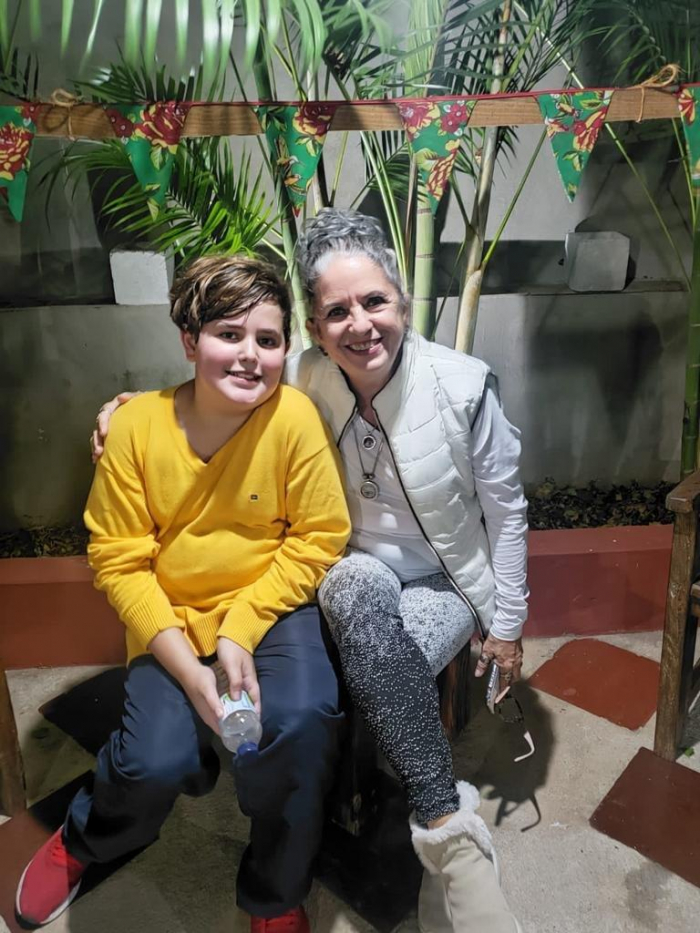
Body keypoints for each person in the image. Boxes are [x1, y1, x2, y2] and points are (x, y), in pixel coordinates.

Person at [91, 210, 528, 933]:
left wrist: (506, 625)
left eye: (375, 301)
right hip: (347, 569)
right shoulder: (301, 374)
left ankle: (442, 834)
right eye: (336, 312)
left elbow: (507, 513)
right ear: (317, 330)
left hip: (442, 578)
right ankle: (444, 835)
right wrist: (127, 409)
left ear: (402, 300)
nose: (360, 325)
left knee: (358, 671)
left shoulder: (464, 386)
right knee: (350, 602)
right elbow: (210, 381)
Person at [16, 256, 351, 933]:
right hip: (169, 616)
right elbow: (118, 560)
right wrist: (191, 670)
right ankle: (85, 838)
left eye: (268, 339)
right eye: (230, 334)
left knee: (301, 723)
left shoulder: (293, 418)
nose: (250, 355)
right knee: (152, 760)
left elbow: (319, 537)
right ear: (190, 340)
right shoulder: (135, 428)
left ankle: (275, 891)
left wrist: (240, 627)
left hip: (271, 606)